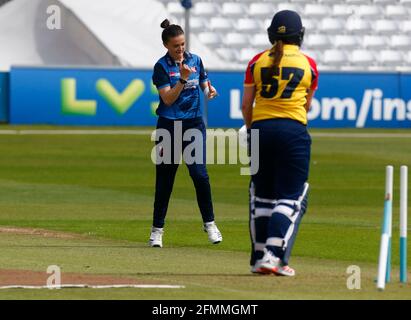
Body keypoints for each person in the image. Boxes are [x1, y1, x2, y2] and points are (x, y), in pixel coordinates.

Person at [241, 10, 319, 276]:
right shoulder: (308, 64)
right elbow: (306, 105)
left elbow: (245, 105)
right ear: (301, 35)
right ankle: (273, 256)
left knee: (261, 196)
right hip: (292, 130)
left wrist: (253, 130)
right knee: (291, 196)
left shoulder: (256, 61)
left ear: (271, 34)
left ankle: (258, 258)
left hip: (261, 128)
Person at [149, 19, 222, 248]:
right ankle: (157, 231)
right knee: (165, 179)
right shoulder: (161, 67)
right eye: (175, 46)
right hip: (169, 125)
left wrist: (209, 90)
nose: (180, 49)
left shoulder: (195, 59)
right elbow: (168, 98)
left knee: (200, 175)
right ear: (166, 46)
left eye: (182, 44)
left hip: (193, 124)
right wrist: (181, 78)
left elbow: (203, 81)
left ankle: (210, 224)